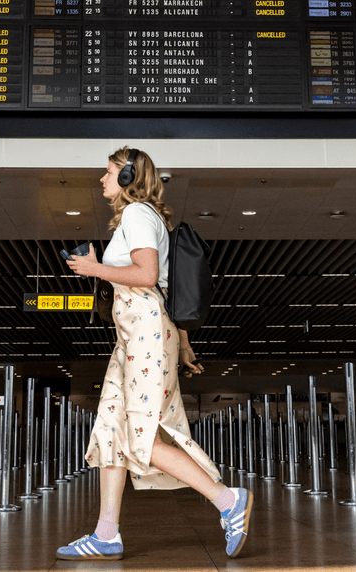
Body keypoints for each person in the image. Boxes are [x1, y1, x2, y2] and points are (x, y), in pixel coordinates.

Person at [56, 147, 252, 561]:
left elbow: (146, 275)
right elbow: (164, 284)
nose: (102, 180)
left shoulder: (137, 215)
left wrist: (94, 269)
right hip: (133, 336)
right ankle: (106, 534)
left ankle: (228, 499)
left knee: (142, 435)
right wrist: (183, 344)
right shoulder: (140, 218)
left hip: (143, 331)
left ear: (128, 177)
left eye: (108, 173)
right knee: (112, 429)